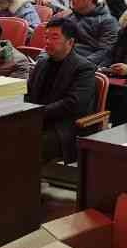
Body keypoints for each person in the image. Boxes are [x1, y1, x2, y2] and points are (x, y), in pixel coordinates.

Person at [26, 18, 97, 163]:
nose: (48, 42)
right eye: (46, 37)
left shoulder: (84, 68)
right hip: (37, 120)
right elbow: (28, 92)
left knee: (27, 146)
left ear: (70, 42)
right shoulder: (42, 63)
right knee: (3, 134)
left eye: (54, 37)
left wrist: (38, 113)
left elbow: (74, 104)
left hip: (64, 127)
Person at [65, 0, 120, 67]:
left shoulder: (108, 21)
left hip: (88, 65)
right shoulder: (69, 17)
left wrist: (81, 64)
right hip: (66, 60)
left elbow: (105, 51)